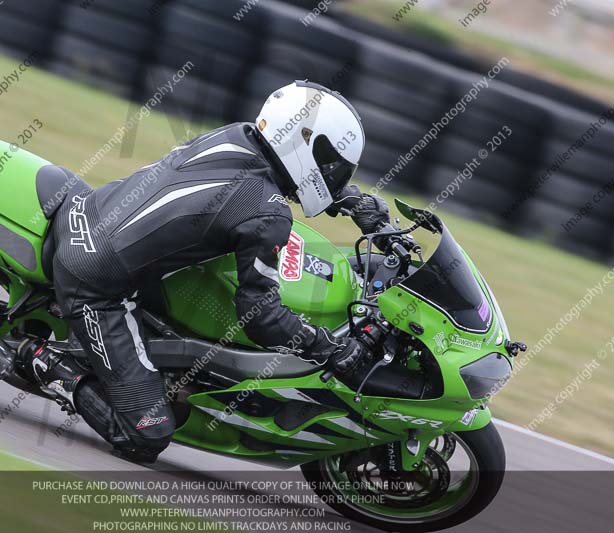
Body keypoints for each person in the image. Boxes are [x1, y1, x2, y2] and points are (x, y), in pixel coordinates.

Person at [21, 81, 391, 464]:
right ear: (305, 144)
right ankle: (41, 359)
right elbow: (261, 316)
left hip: (89, 211)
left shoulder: (237, 135)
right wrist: (328, 348)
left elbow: (267, 183)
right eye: (333, 167)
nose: (335, 176)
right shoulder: (268, 215)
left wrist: (348, 199)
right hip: (94, 283)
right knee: (148, 434)